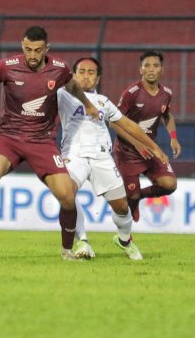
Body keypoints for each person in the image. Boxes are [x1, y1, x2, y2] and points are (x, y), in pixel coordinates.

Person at [0, 26, 100, 260]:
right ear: (22, 46)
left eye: (37, 50)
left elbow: (72, 84)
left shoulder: (60, 69)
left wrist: (89, 104)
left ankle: (66, 251)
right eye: (27, 49)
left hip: (42, 141)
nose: (32, 55)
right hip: (9, 138)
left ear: (47, 49)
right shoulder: (7, 66)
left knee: (67, 196)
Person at [57, 57, 169, 260]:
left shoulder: (103, 102)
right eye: (81, 71)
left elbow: (128, 125)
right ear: (73, 75)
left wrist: (155, 147)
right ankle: (82, 241)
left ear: (98, 78)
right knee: (66, 194)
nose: (86, 76)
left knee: (122, 206)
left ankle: (124, 239)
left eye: (91, 73)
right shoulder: (62, 95)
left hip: (102, 157)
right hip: (74, 154)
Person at [112, 50, 181, 223]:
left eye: (155, 66)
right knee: (131, 199)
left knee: (169, 184)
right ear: (140, 70)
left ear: (162, 70)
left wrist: (173, 137)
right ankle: (129, 218)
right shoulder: (132, 92)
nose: (151, 69)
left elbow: (167, 115)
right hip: (127, 151)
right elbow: (113, 122)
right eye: (147, 65)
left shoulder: (166, 94)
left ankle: (137, 196)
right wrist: (136, 143)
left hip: (149, 150)